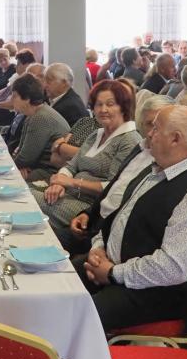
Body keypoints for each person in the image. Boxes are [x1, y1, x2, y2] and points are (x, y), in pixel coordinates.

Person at [80, 105, 187, 330]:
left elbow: (172, 268)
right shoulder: (158, 168)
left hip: (156, 293)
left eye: (156, 128)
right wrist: (98, 249)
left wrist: (112, 273)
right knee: (59, 280)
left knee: (78, 317)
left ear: (175, 138)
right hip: (116, 268)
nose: (149, 133)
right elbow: (119, 217)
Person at [36, 80, 138, 247]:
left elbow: (114, 187)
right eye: (98, 104)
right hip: (67, 195)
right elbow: (71, 166)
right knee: (26, 196)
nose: (103, 109)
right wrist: (59, 184)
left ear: (123, 107)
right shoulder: (96, 134)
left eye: (110, 104)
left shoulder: (129, 140)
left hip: (88, 208)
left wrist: (71, 182)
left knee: (29, 201)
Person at [68, 95, 173, 250]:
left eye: (110, 104)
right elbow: (114, 188)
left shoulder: (167, 164)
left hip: (112, 238)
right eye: (149, 124)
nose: (152, 132)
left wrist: (100, 246)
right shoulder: (140, 148)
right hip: (96, 223)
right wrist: (88, 214)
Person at [9, 75, 70, 180]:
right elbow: (22, 152)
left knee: (7, 178)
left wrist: (10, 167)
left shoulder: (40, 118)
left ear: (27, 99)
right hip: (38, 167)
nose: (11, 99)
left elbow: (26, 158)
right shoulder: (35, 114)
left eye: (14, 96)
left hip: (51, 172)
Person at [44, 63, 88, 127]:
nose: (45, 85)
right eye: (45, 81)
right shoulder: (63, 99)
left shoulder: (70, 107)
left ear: (64, 83)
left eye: (49, 81)